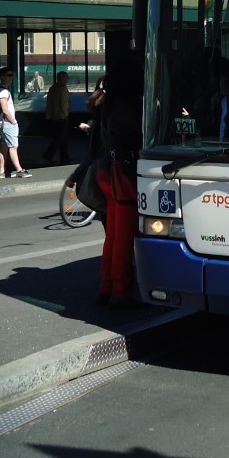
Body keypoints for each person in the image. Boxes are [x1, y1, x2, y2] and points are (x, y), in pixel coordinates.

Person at [92, 56, 143, 308]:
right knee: (124, 236)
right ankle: (120, 291)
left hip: (109, 170)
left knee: (113, 234)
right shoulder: (126, 104)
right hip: (124, 173)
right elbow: (143, 130)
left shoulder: (108, 102)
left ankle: (107, 286)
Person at [0, 67, 31, 179]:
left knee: (4, 146)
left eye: (12, 75)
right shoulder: (4, 92)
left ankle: (2, 171)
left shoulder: (1, 90)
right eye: (9, 75)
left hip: (3, 123)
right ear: (3, 77)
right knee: (13, 146)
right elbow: (5, 109)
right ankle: (19, 170)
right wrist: (13, 121)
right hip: (7, 123)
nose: (11, 78)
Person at [42, 71, 72, 164]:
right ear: (62, 78)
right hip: (62, 116)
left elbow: (49, 102)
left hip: (53, 116)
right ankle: (48, 154)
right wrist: (65, 114)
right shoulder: (63, 89)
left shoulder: (52, 88)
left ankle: (65, 156)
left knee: (62, 137)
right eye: (66, 77)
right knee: (61, 137)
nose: (68, 79)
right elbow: (63, 104)